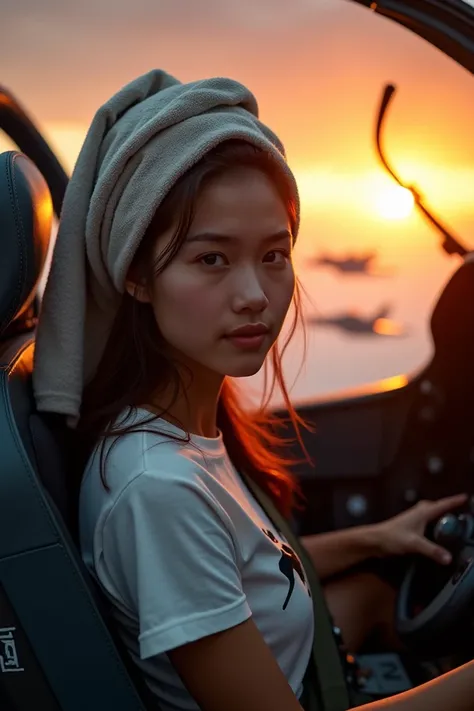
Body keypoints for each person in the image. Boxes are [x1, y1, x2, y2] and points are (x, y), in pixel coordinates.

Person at [33, 69, 473, 711]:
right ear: (136, 276)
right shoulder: (156, 490)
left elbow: (245, 577)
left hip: (316, 662)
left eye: (274, 254)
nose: (255, 296)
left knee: (381, 590)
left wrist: (373, 538)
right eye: (211, 258)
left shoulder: (183, 424)